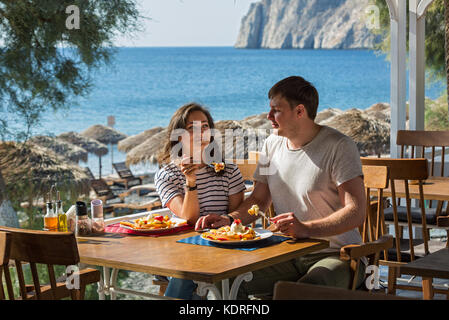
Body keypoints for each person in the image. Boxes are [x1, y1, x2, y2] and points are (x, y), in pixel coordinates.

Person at [195, 76, 367, 299]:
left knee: (298, 292)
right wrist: (229, 220)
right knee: (224, 281)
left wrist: (306, 228)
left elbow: (356, 212)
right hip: (285, 253)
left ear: (300, 111)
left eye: (276, 110)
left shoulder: (339, 146)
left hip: (337, 256)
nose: (268, 117)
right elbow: (258, 199)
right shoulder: (272, 144)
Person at [155, 102, 246, 299]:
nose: (201, 132)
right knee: (185, 273)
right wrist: (191, 182)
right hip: (184, 250)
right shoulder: (167, 175)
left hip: (224, 249)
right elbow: (189, 218)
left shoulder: (228, 171)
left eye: (205, 126)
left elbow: (237, 220)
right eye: (191, 128)